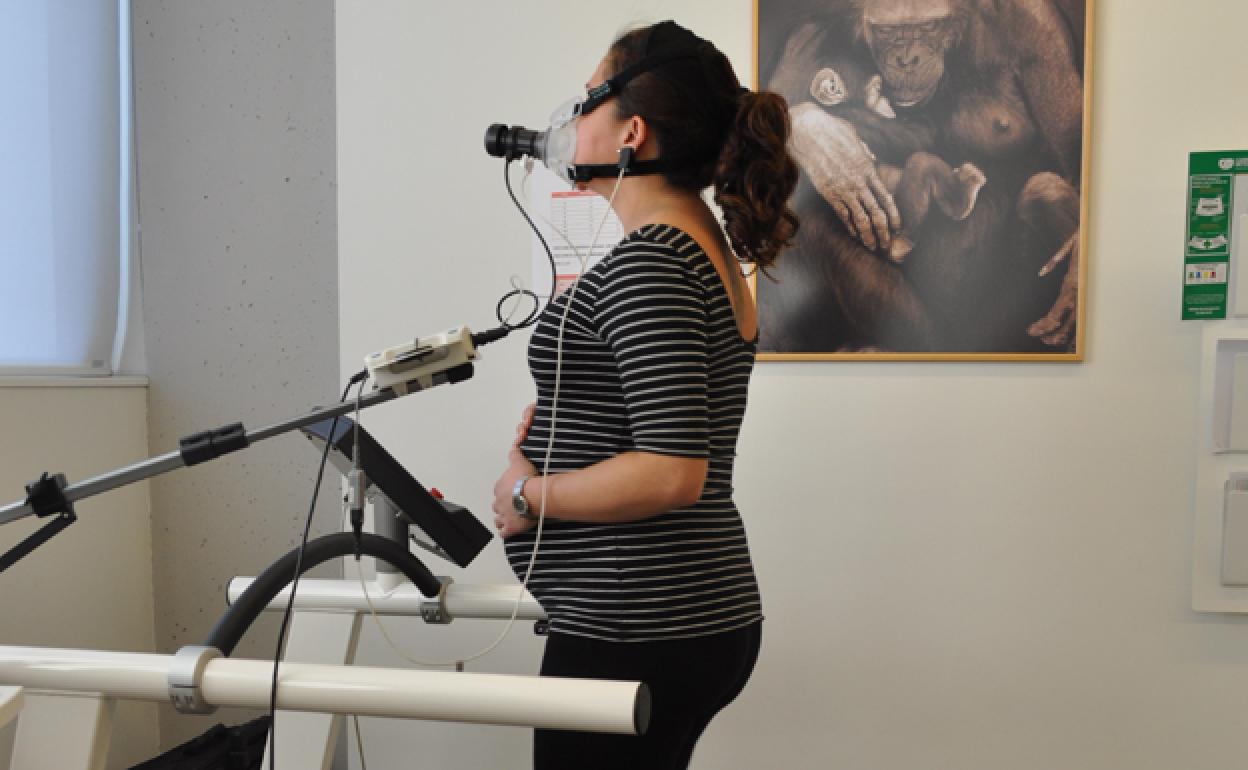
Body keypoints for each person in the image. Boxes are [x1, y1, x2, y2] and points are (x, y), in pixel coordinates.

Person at [490, 20, 799, 769]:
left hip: (638, 622)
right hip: (671, 613)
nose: (570, 115)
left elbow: (671, 471)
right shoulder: (698, 250)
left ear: (631, 131)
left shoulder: (652, 263)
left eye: (589, 97)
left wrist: (529, 495)